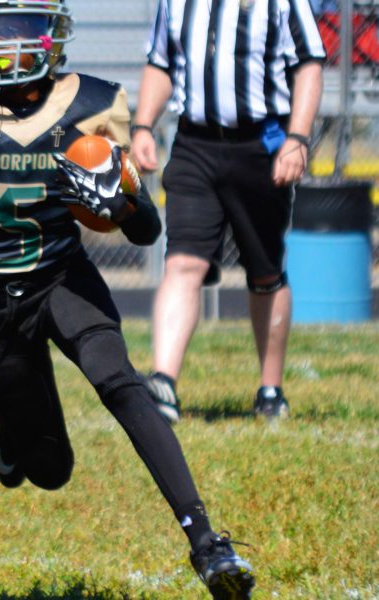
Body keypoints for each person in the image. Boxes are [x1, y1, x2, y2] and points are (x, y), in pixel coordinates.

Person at [0, 1, 255, 597]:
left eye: (15, 33)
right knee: (48, 471)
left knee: (121, 380)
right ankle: (2, 414)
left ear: (50, 34)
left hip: (61, 277)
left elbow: (146, 231)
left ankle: (207, 544)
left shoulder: (88, 104)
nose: (1, 48)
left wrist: (120, 198)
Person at [131, 0, 325, 423]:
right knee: (183, 261)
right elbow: (161, 62)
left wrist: (298, 138)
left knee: (265, 272)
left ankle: (270, 389)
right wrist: (143, 124)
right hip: (194, 145)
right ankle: (163, 382)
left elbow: (309, 63)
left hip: (260, 144)